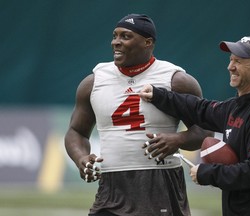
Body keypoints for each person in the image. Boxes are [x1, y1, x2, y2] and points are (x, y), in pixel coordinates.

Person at [64, 13, 212, 216]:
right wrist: (81, 158)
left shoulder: (176, 81)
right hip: (111, 186)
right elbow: (76, 131)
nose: (116, 42)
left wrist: (177, 140)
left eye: (125, 36)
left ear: (147, 42)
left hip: (160, 183)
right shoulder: (93, 82)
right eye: (115, 36)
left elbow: (205, 131)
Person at [139, 36, 250, 216]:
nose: (230, 67)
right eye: (231, 60)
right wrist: (158, 95)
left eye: (239, 61)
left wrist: (206, 173)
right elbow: (199, 108)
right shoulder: (236, 106)